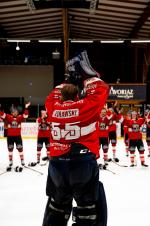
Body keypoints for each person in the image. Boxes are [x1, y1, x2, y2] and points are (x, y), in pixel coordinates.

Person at [42, 51, 109, 226]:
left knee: (56, 207)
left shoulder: (52, 107)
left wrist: (68, 80)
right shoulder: (85, 106)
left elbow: (55, 94)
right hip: (82, 163)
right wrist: (87, 76)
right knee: (88, 211)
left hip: (57, 166)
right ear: (77, 95)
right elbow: (101, 88)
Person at [0, 102, 30, 168]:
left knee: (20, 149)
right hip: (10, 137)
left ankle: (22, 160)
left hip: (18, 137)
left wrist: (26, 107)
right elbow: (2, 115)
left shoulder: (19, 117)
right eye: (14, 111)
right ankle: (10, 161)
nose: (15, 112)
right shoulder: (8, 117)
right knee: (10, 149)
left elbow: (26, 115)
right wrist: (1, 108)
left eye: (16, 111)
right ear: (12, 112)